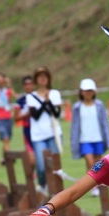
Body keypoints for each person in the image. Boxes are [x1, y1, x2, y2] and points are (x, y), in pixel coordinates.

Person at [70, 78, 109, 197]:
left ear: (94, 91)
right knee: (90, 163)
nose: (88, 93)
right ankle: (93, 187)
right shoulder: (77, 107)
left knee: (98, 164)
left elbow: (104, 123)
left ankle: (99, 184)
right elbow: (74, 126)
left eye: (90, 90)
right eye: (85, 91)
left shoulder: (99, 105)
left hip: (98, 138)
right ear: (81, 92)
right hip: (84, 140)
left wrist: (107, 138)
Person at [26, 66, 62, 196]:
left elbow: (57, 114)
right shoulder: (31, 96)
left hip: (53, 133)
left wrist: (49, 102)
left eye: (45, 76)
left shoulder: (55, 94)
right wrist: (44, 102)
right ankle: (42, 184)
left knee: (55, 164)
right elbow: (35, 115)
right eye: (40, 76)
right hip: (38, 135)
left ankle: (57, 190)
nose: (42, 79)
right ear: (36, 79)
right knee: (41, 166)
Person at [0, 72, 16, 163]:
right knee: (5, 138)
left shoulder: (7, 91)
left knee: (7, 139)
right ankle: (9, 157)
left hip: (8, 117)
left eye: (2, 78)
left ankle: (4, 158)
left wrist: (9, 84)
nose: (0, 80)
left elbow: (14, 96)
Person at [13, 75, 35, 167]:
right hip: (27, 131)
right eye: (26, 84)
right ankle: (31, 177)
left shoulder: (39, 98)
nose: (28, 86)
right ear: (23, 86)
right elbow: (16, 118)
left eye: (30, 84)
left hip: (40, 130)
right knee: (32, 161)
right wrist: (28, 114)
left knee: (43, 159)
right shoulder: (20, 102)